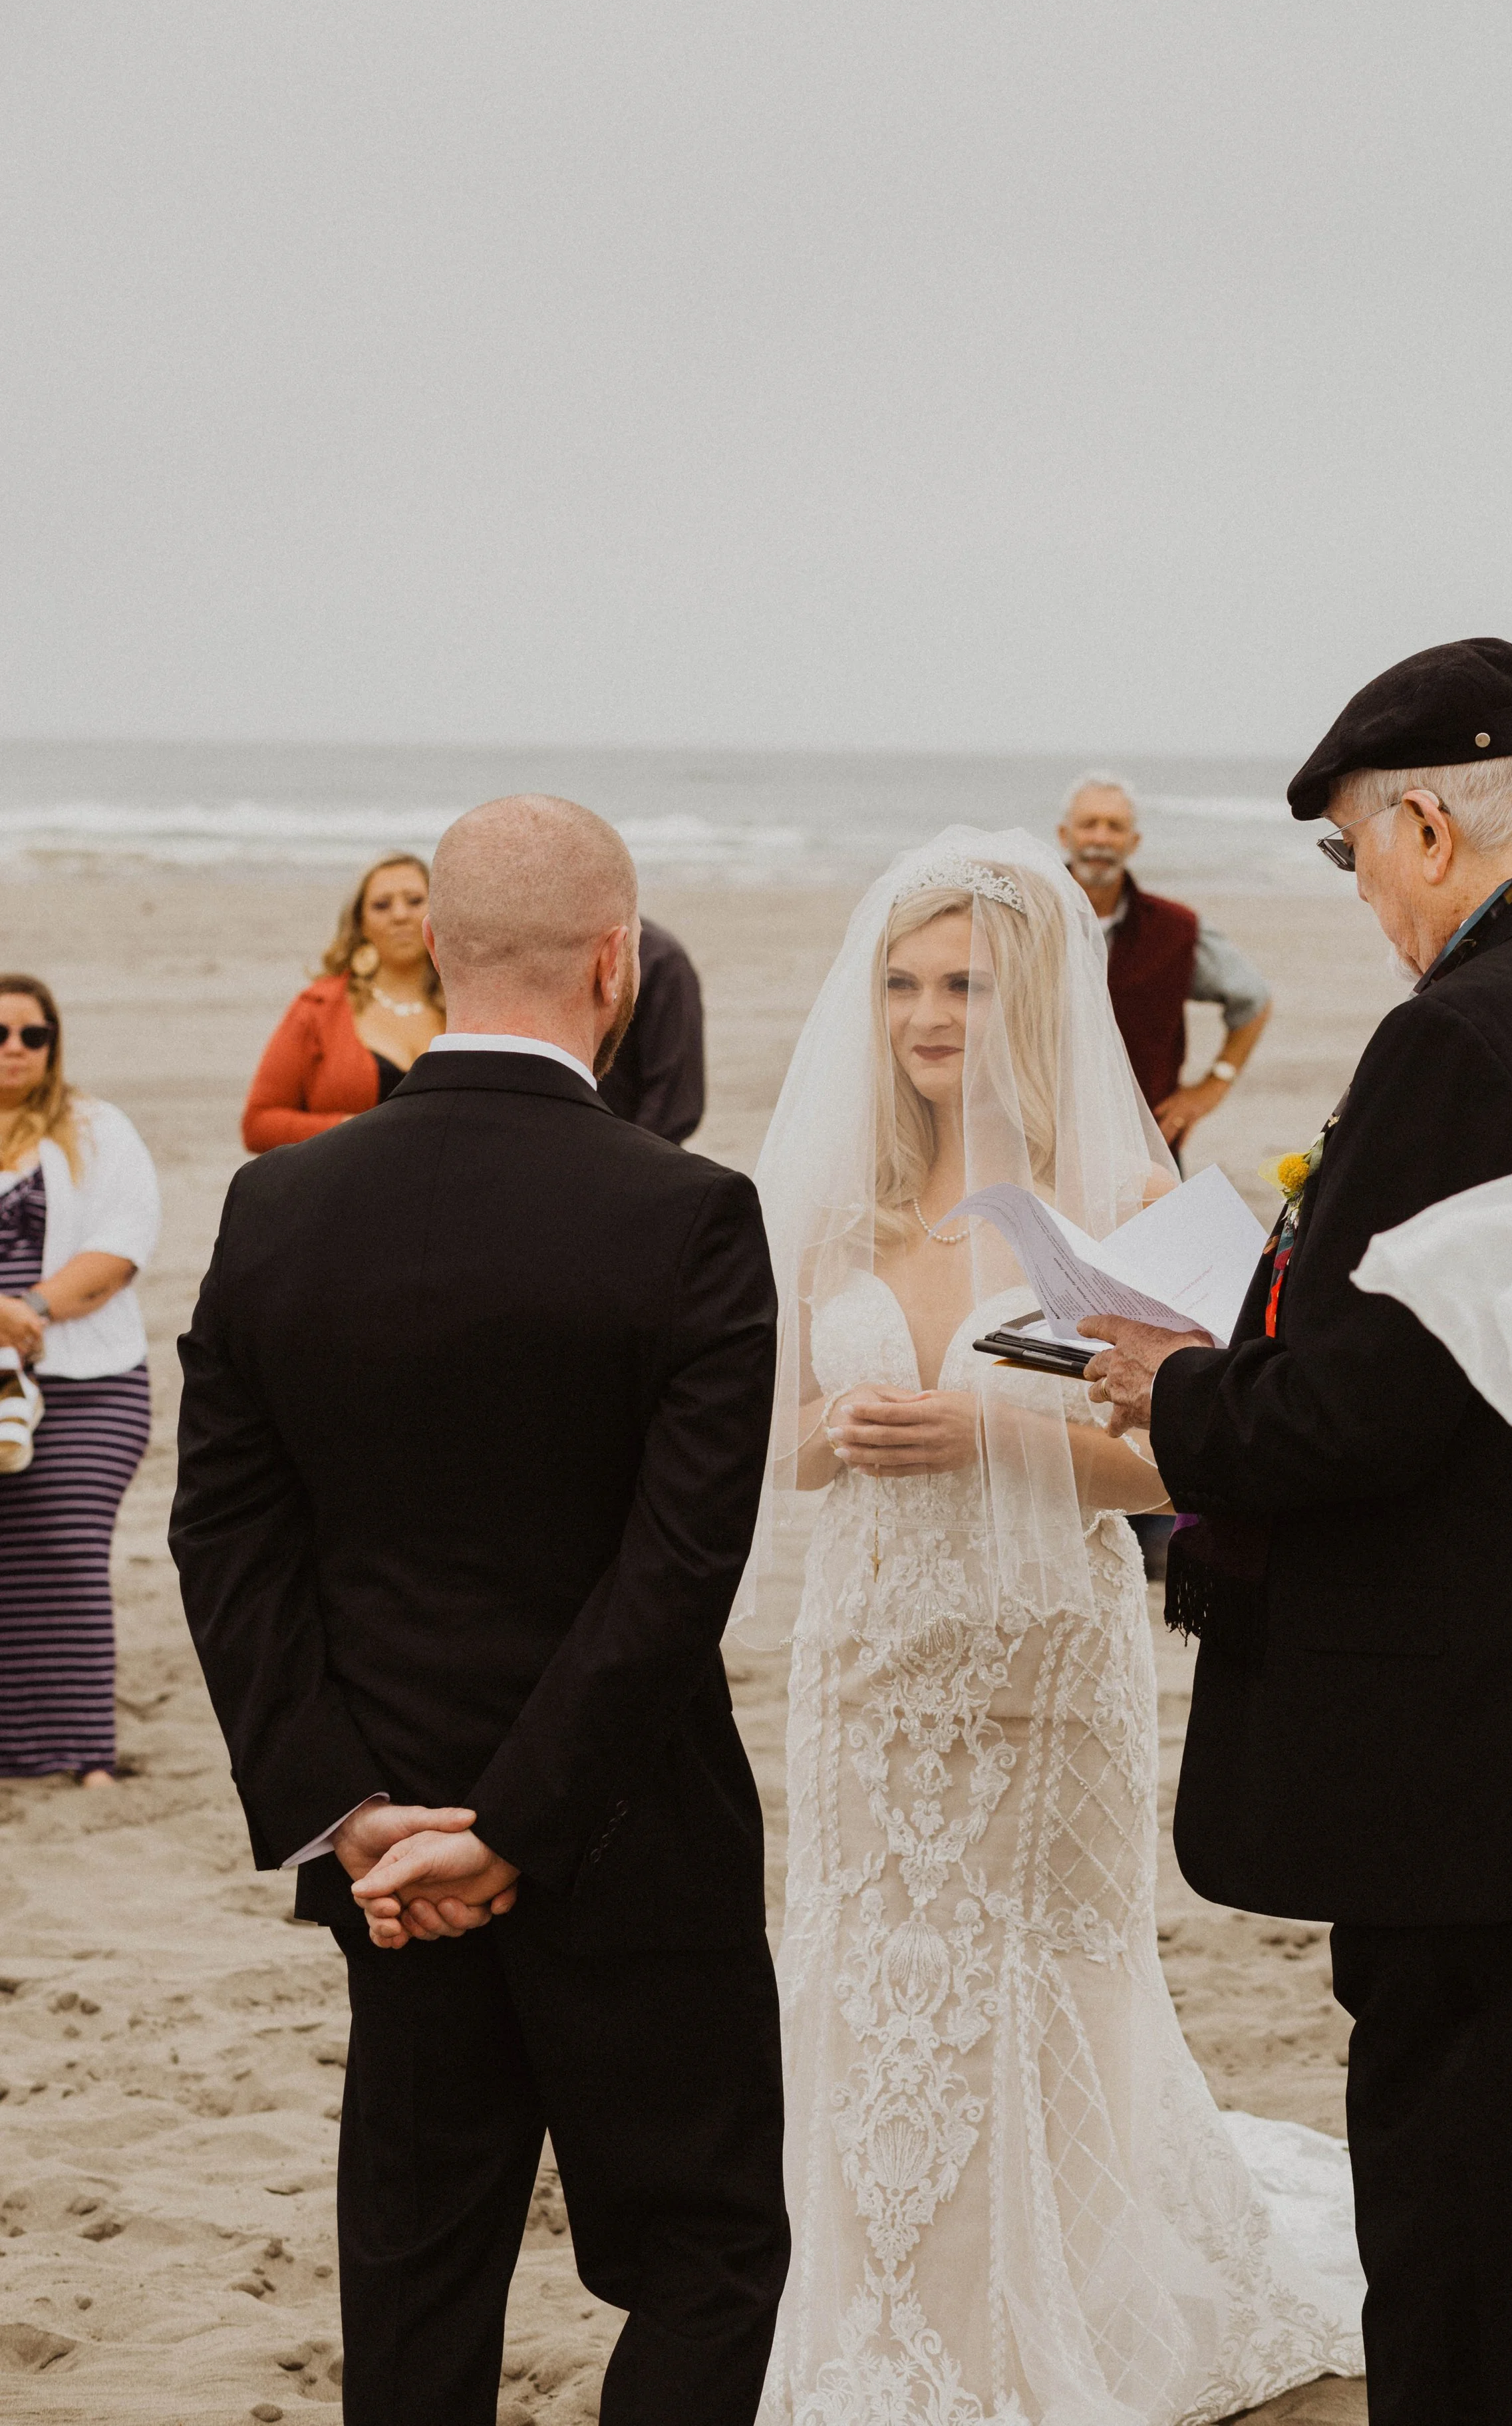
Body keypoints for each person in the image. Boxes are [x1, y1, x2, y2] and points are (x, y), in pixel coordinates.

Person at [1081, 637, 1512, 2424]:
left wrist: (1166, 1387)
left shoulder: (1467, 1035)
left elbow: (1349, 1415)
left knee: (1466, 2224)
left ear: (1423, 820)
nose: (1359, 900)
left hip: (1476, 1766)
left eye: (1347, 855)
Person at [170, 796, 790, 2426]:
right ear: (617, 962)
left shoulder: (277, 1209)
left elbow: (225, 1533)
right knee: (707, 2252)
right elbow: (677, 1570)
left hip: (389, 1859)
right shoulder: (690, 1214)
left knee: (421, 2262)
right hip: (629, 1834)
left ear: (433, 947)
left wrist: (352, 1806)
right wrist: (512, 1823)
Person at [736, 828, 1362, 2425]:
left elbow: (1185, 1453)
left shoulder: (1129, 1192)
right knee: (873, 1972)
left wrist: (995, 1432)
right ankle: (885, 2299)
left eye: (962, 981)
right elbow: (784, 1445)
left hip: (1046, 1658)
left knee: (1048, 1978)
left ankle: (1064, 2295)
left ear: (1030, 998)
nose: (928, 1014)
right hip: (870, 1656)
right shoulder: (839, 1207)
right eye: (902, 981)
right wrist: (857, 1429)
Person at [0, 975, 160, 1785]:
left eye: (34, 1035)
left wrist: (29, 1307)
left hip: (88, 1376)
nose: (16, 1050)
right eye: (0, 1034)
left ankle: (79, 1751)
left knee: (64, 1542)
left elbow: (125, 1243)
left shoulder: (98, 1129)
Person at [1058, 776, 1271, 1151]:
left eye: (1115, 827)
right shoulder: (1023, 919)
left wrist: (1212, 1087)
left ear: (1134, 842)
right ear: (1065, 835)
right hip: (1044, 1143)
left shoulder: (1176, 929)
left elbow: (1254, 1000)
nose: (1101, 838)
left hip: (1145, 1146)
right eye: (1089, 824)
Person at [242, 852, 444, 1150]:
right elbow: (258, 1125)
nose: (400, 915)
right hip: (347, 1188)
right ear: (360, 922)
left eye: (415, 901)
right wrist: (350, 1129)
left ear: (440, 913)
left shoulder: (469, 1000)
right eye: (381, 905)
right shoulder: (318, 1007)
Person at [597, 916, 705, 1141]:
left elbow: (674, 1100)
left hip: (628, 1159)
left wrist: (626, 1162)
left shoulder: (661, 961)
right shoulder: (530, 949)